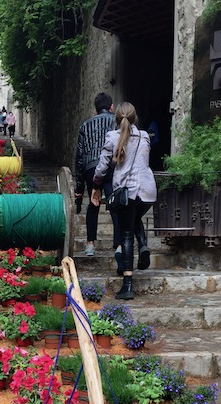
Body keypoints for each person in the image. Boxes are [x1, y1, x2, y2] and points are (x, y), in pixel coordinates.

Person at [91, 101, 157, 300]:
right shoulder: (145, 136)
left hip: (127, 191)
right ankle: (143, 243)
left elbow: (102, 168)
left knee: (126, 234)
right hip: (147, 191)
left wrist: (96, 186)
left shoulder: (112, 137)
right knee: (134, 218)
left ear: (117, 118)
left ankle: (128, 285)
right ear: (135, 118)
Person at [74, 93, 115, 256]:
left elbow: (79, 156)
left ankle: (90, 244)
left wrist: (79, 186)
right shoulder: (117, 122)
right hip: (111, 167)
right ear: (111, 107)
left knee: (93, 204)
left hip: (90, 167)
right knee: (115, 204)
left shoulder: (85, 126)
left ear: (95, 109)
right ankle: (118, 244)